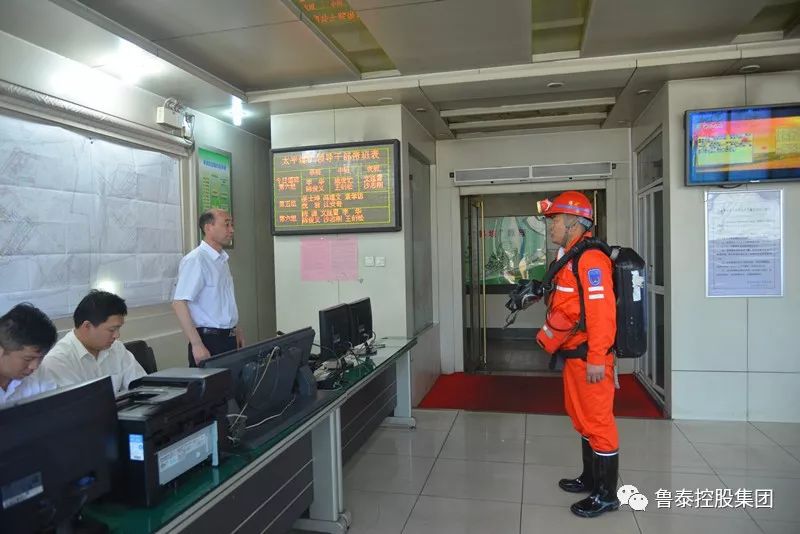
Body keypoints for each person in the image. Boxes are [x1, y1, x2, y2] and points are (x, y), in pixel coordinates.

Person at [536, 191, 620, 518]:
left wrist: (598, 357)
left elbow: (602, 313)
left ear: (573, 222)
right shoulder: (569, 257)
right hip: (573, 356)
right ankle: (590, 478)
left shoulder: (590, 259)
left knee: (598, 422)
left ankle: (606, 495)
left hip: (590, 359)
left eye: (555, 220)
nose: (551, 226)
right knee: (581, 418)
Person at [173, 208, 244, 367]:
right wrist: (197, 344)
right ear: (208, 228)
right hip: (209, 341)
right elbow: (179, 303)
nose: (231, 230)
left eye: (232, 225)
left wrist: (235, 329)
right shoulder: (196, 260)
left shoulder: (222, 260)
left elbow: (222, 302)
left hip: (228, 338)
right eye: (226, 224)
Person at [42, 290, 146, 393]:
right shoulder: (58, 361)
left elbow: (142, 387)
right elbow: (78, 402)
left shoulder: (117, 348)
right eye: (112, 330)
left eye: (118, 329)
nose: (117, 335)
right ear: (87, 326)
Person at [0, 303, 58, 404]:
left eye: (41, 358)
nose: (34, 366)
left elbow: (55, 407)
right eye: (28, 359)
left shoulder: (40, 372)